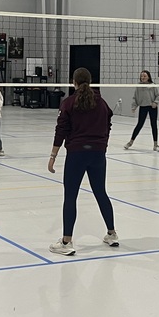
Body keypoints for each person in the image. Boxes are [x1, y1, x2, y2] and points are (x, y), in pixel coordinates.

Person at [48, 68, 119, 255]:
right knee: (101, 193)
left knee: (70, 197)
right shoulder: (101, 103)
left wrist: (53, 156)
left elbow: (61, 130)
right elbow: (108, 123)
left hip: (77, 154)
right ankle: (112, 234)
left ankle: (66, 242)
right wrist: (102, 144)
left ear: (74, 83)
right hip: (97, 155)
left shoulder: (69, 103)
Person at [125, 69, 159, 151]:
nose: (143, 77)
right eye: (141, 76)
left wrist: (155, 103)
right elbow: (135, 97)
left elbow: (158, 95)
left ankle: (156, 145)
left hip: (152, 107)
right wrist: (134, 106)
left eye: (144, 76)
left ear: (148, 77)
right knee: (139, 124)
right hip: (143, 107)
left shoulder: (152, 85)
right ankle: (130, 142)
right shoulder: (139, 86)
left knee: (154, 125)